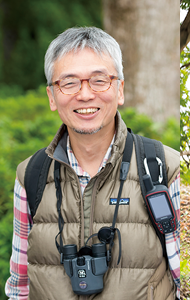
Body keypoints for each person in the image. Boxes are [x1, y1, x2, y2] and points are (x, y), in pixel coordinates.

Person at [4, 27, 180, 299]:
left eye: (99, 80)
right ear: (52, 96)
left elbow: (185, 283)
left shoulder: (163, 168)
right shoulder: (31, 174)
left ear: (120, 89)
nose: (85, 95)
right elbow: (19, 287)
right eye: (69, 82)